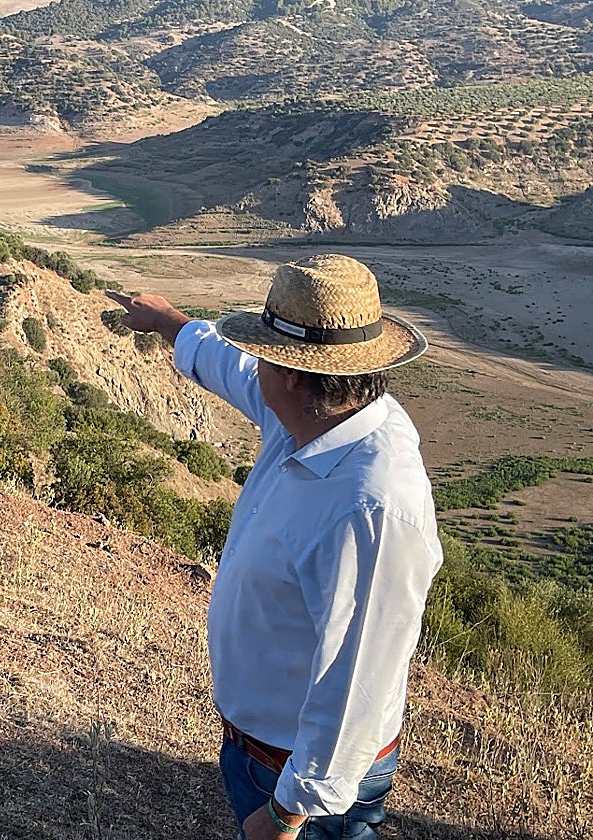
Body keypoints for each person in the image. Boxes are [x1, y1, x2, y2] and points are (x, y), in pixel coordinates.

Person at [105, 254, 444, 840]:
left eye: (264, 354)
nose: (252, 365)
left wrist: (289, 811)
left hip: (305, 785)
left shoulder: (371, 507)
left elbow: (361, 678)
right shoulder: (313, 415)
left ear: (290, 373)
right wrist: (167, 322)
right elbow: (229, 366)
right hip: (261, 751)